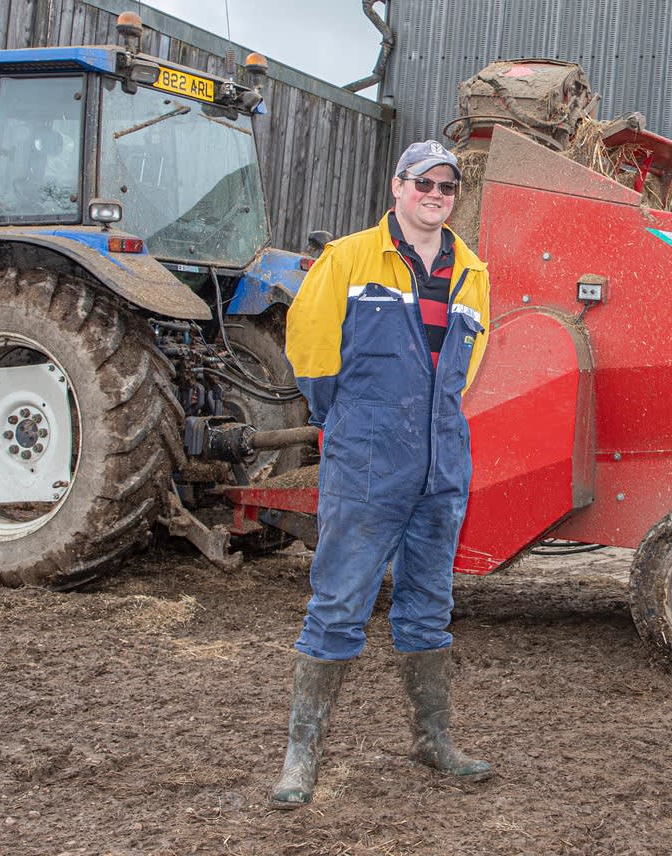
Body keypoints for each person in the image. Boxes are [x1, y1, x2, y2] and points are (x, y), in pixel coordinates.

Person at [272, 140, 492, 809]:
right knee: (339, 603)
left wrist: (431, 425)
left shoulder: (473, 270)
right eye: (423, 183)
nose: (435, 195)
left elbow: (469, 365)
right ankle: (300, 758)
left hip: (441, 458)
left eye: (447, 187)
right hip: (368, 454)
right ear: (397, 187)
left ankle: (432, 742)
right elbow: (310, 352)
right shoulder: (349, 258)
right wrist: (358, 423)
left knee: (428, 605)